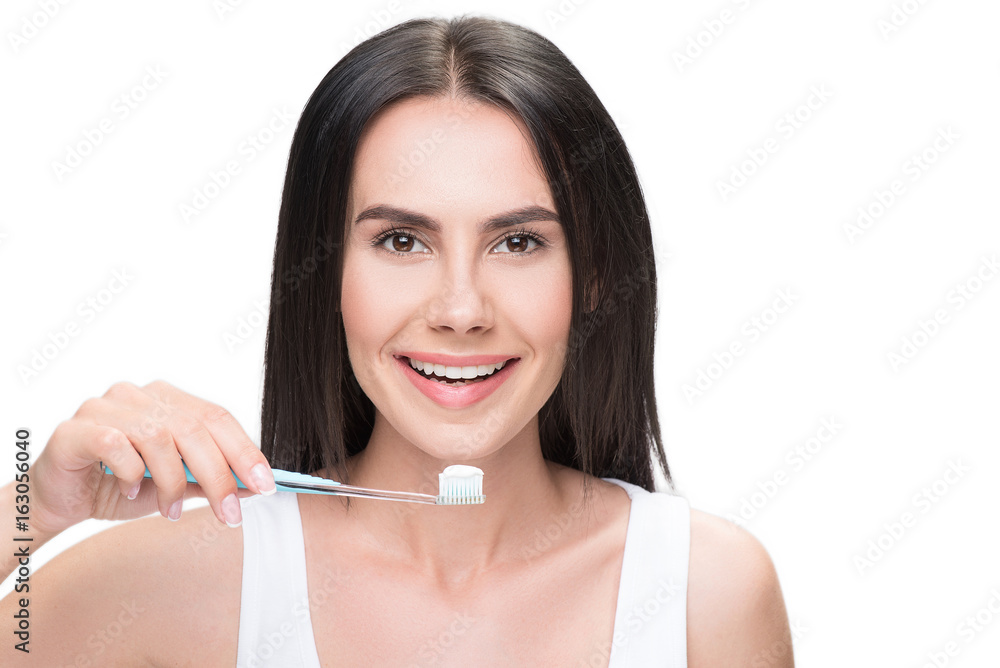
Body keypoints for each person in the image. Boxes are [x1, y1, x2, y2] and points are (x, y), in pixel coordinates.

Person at [0, 14, 793, 666]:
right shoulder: (188, 577)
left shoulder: (705, 592)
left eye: (517, 242)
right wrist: (30, 510)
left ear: (592, 279)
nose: (459, 309)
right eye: (402, 243)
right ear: (326, 275)